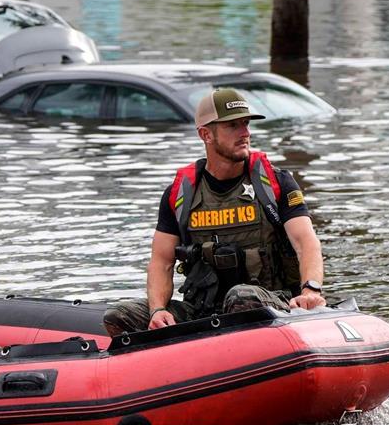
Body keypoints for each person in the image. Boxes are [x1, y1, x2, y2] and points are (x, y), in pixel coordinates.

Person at [103, 88, 327, 336]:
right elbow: (162, 262)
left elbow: (305, 243)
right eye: (233, 126)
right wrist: (158, 311)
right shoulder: (180, 194)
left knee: (241, 297)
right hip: (203, 310)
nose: (245, 133)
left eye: (245, 123)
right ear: (206, 134)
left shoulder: (275, 183)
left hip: (270, 303)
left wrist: (311, 291)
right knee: (119, 316)